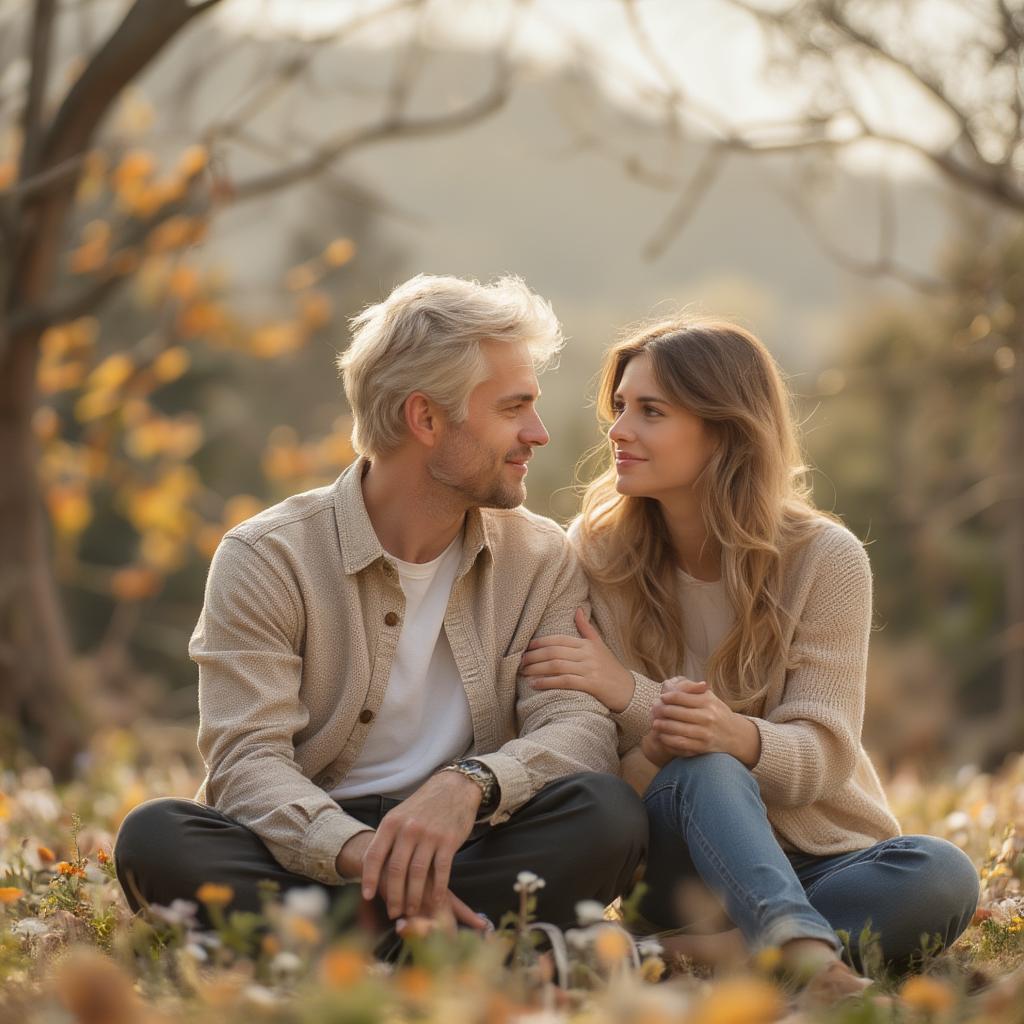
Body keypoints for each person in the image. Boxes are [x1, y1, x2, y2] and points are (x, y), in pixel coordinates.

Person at [114, 274, 647, 939]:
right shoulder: (267, 556)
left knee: (608, 815)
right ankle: (448, 941)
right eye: (513, 408)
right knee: (157, 839)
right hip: (310, 855)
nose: (537, 433)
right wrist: (366, 857)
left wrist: (470, 785)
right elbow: (247, 762)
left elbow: (579, 729)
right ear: (424, 418)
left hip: (469, 845)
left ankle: (349, 942)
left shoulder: (541, 557)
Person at [521, 317, 979, 997]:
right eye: (619, 407)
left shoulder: (826, 559)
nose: (618, 430)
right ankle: (803, 955)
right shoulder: (595, 553)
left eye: (651, 411)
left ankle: (699, 954)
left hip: (821, 861)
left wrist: (666, 707)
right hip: (680, 866)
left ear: (726, 430)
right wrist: (691, 737)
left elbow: (825, 756)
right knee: (705, 766)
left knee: (941, 874)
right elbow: (593, 749)